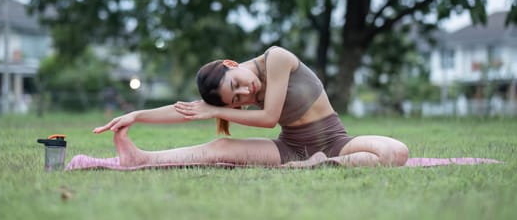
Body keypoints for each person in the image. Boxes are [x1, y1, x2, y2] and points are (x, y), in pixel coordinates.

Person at [93, 46, 409, 167]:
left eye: (237, 85)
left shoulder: (277, 58)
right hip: (289, 148)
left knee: (395, 153)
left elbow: (270, 118)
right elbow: (186, 109)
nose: (246, 93)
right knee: (219, 146)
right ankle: (142, 158)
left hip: (337, 142)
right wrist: (136, 115)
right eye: (238, 100)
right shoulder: (232, 96)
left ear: (232, 64)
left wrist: (216, 110)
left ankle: (313, 165)